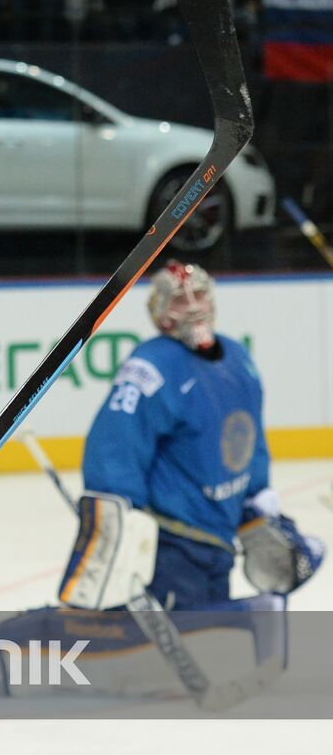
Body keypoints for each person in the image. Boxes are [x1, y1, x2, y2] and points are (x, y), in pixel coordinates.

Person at [63, 261, 323, 612]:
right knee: (180, 649)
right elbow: (116, 443)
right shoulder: (151, 366)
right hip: (171, 543)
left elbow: (251, 437)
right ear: (159, 312)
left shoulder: (237, 357)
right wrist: (116, 513)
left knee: (211, 645)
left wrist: (257, 500)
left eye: (199, 294)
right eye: (180, 300)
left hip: (221, 539)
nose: (194, 307)